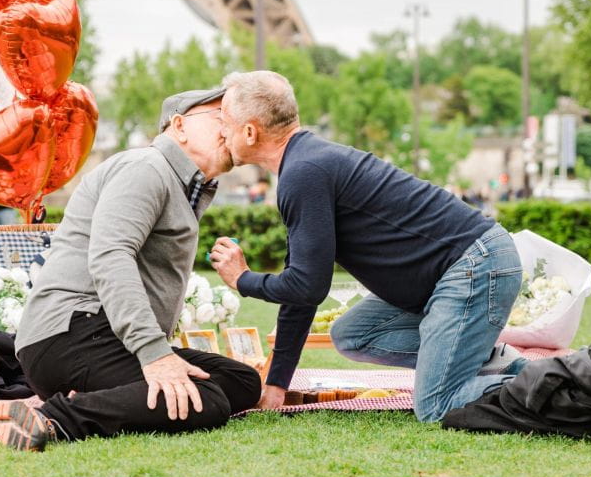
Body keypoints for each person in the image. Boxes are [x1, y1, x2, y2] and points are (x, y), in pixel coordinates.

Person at [210, 71, 525, 423]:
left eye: (224, 122)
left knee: (437, 405)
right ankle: (492, 361)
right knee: (353, 335)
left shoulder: (304, 171)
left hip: (475, 266)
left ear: (250, 132)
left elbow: (308, 286)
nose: (219, 132)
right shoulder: (304, 165)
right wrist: (278, 384)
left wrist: (244, 280)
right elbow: (302, 286)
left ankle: (558, 383)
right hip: (466, 267)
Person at [0, 88, 261, 452]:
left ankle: (102, 398)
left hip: (97, 334)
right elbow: (110, 256)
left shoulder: (176, 182)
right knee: (208, 398)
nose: (230, 128)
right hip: (71, 334)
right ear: (179, 126)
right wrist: (156, 355)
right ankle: (52, 418)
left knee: (240, 380)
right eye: (219, 117)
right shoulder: (146, 168)